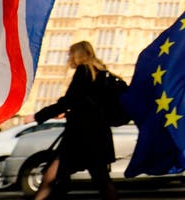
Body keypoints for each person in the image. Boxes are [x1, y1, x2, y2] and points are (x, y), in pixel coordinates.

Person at [25, 41, 118, 200]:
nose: (68, 59)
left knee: (50, 177)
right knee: (102, 181)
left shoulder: (84, 70)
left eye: (70, 55)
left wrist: (38, 116)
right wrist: (70, 113)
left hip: (80, 137)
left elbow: (69, 100)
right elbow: (91, 106)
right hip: (99, 136)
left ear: (77, 54)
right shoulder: (103, 74)